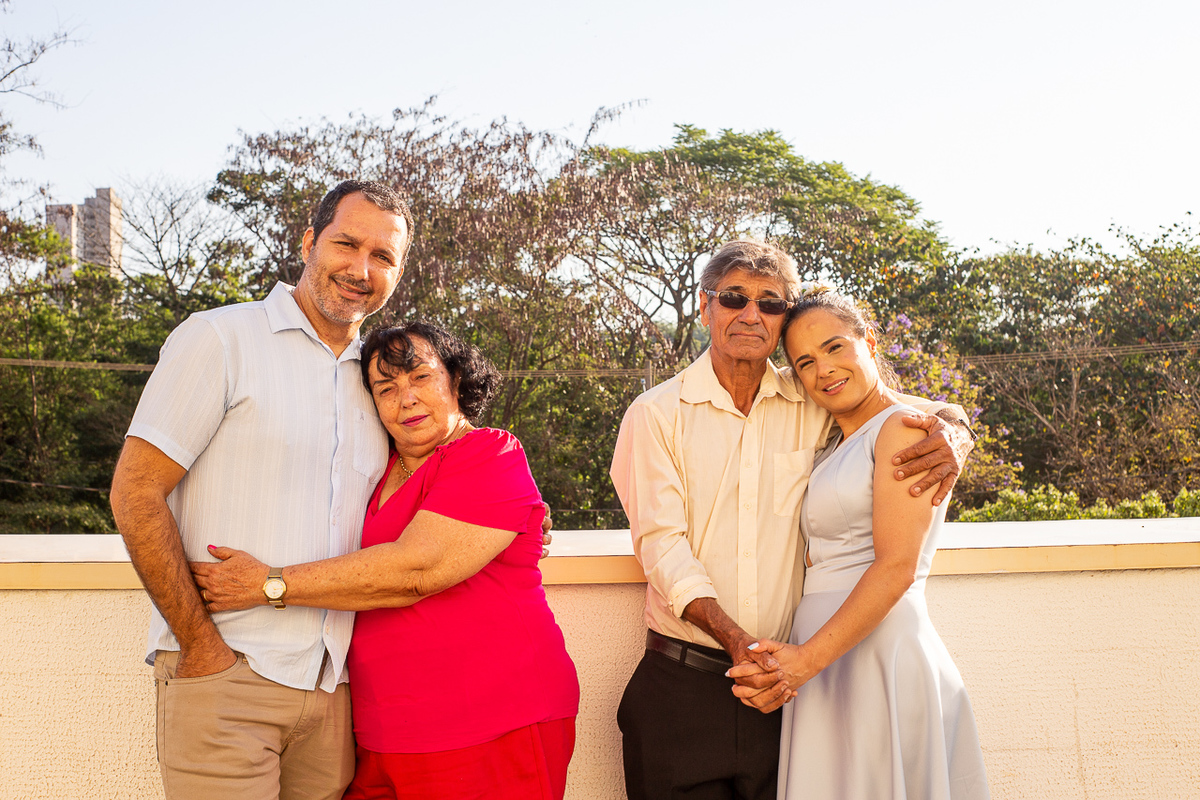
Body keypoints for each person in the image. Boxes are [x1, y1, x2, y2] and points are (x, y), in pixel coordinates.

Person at [609, 240, 976, 800]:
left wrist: (955, 428)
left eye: (771, 303)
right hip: (686, 684)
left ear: (783, 321)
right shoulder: (656, 413)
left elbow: (894, 413)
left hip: (792, 694)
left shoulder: (813, 401)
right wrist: (739, 644)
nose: (751, 314)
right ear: (706, 306)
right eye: (734, 298)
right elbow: (662, 547)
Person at [110, 181, 415, 799]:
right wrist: (201, 651)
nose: (361, 269)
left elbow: (412, 491)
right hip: (227, 673)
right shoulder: (221, 338)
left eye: (383, 257)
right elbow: (135, 490)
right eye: (346, 244)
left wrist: (518, 515)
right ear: (308, 242)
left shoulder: (378, 379)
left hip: (334, 693)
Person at [191, 321, 580, 800]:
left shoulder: (489, 453)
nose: (406, 399)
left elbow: (416, 569)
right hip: (384, 731)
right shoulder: (375, 470)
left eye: (420, 378)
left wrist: (268, 584)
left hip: (491, 719)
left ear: (456, 380)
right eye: (386, 387)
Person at [729, 286, 990, 799]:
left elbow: (896, 568)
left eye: (835, 348)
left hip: (874, 653)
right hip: (830, 663)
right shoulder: (833, 443)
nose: (823, 370)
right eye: (804, 362)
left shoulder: (903, 429)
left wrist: (805, 662)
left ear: (869, 341)